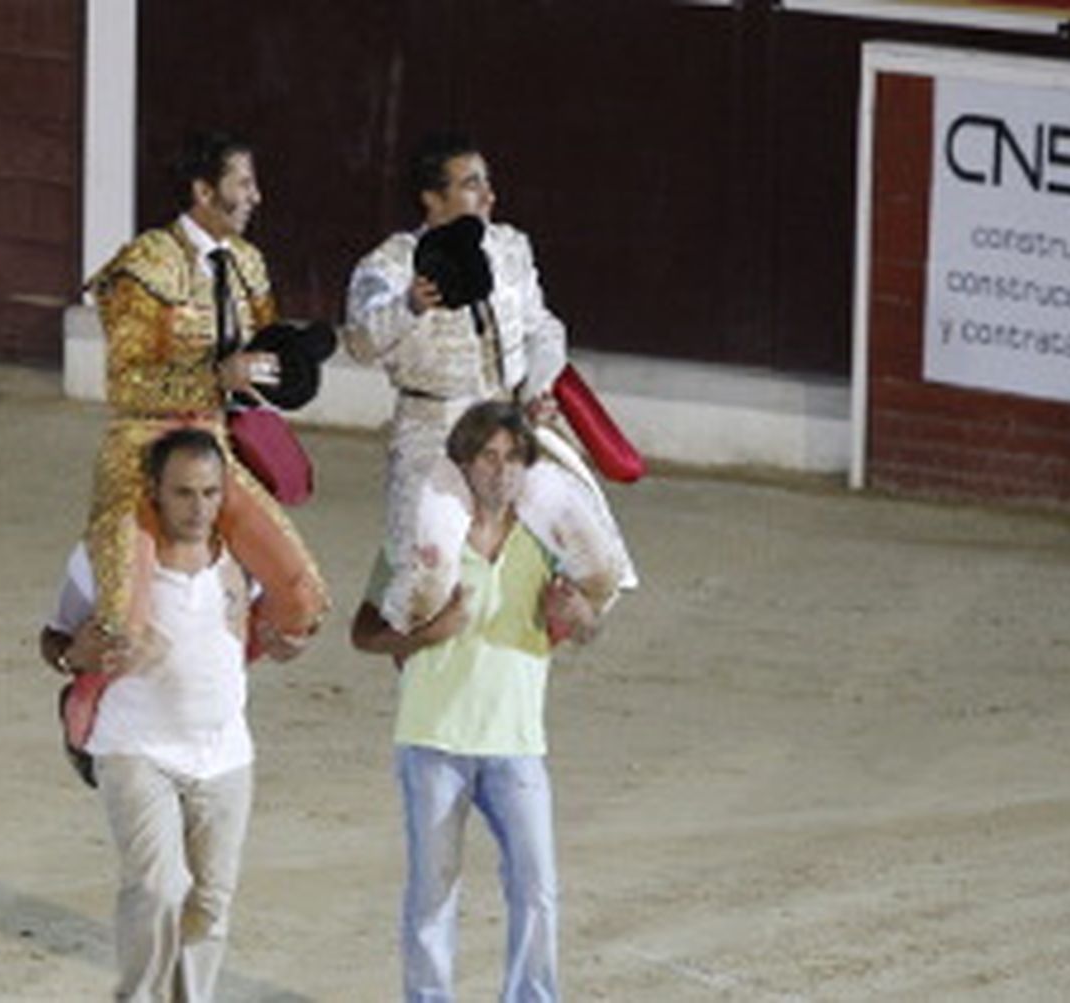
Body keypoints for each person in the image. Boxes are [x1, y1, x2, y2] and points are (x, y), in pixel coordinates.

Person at [350, 402, 606, 1003]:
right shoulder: (420, 540)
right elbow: (363, 632)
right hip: (433, 739)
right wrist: (426, 635)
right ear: (463, 464)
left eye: (513, 458)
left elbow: (589, 624)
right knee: (432, 893)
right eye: (488, 457)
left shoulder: (547, 541)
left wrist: (580, 616)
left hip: (517, 741)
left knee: (537, 889)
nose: (501, 471)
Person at [40, 428, 306, 1002]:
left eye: (210, 493)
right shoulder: (105, 555)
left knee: (210, 903)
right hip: (135, 746)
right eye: (183, 493)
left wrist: (286, 643)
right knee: (159, 887)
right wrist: (74, 654)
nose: (198, 508)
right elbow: (54, 638)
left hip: (226, 751)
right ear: (154, 490)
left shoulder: (244, 557)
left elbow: (265, 631)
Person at [344, 132, 633, 632]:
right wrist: (410, 305)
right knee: (425, 586)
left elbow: (544, 329)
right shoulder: (390, 264)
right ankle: (413, 663)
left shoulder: (509, 248)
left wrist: (536, 388)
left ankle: (527, 651)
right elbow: (360, 342)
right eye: (472, 184)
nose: (489, 196)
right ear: (432, 198)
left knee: (599, 564)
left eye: (487, 182)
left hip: (509, 425)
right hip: (433, 431)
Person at [82, 129, 325, 653]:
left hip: (214, 450)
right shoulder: (145, 264)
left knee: (302, 600)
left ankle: (218, 665)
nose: (256, 196)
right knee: (124, 623)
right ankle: (86, 696)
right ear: (204, 191)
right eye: (244, 183)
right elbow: (125, 384)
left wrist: (289, 367)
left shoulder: (247, 263)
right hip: (142, 450)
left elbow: (264, 354)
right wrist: (215, 379)